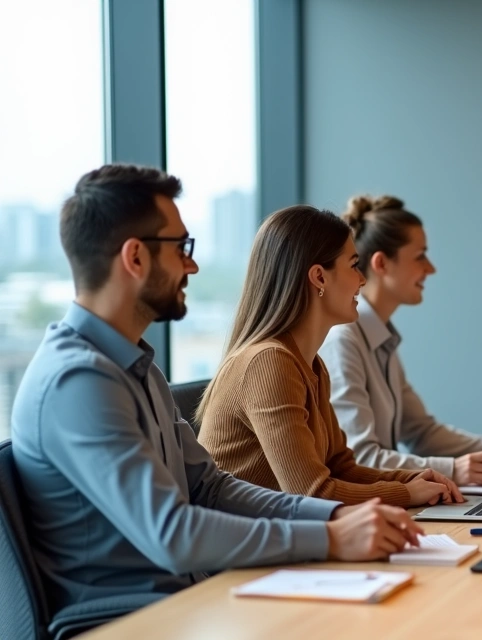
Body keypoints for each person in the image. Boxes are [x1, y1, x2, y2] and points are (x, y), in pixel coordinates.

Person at [10, 164, 422, 617]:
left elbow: (209, 488)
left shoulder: (136, 367)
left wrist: (331, 516)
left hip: (188, 599)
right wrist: (328, 536)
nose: (193, 264)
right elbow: (172, 534)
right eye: (181, 247)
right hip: (128, 620)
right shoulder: (78, 381)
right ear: (135, 258)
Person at [197, 205, 461, 509]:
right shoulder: (269, 362)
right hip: (244, 547)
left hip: (283, 536)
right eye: (353, 265)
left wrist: (411, 479)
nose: (362, 280)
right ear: (319, 277)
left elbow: (341, 467)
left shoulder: (311, 364)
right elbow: (311, 494)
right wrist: (407, 494)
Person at [319, 195, 482, 487]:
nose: (430, 269)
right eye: (420, 256)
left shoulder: (382, 338)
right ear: (381, 264)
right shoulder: (344, 340)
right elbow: (361, 458)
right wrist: (453, 470)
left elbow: (421, 432)